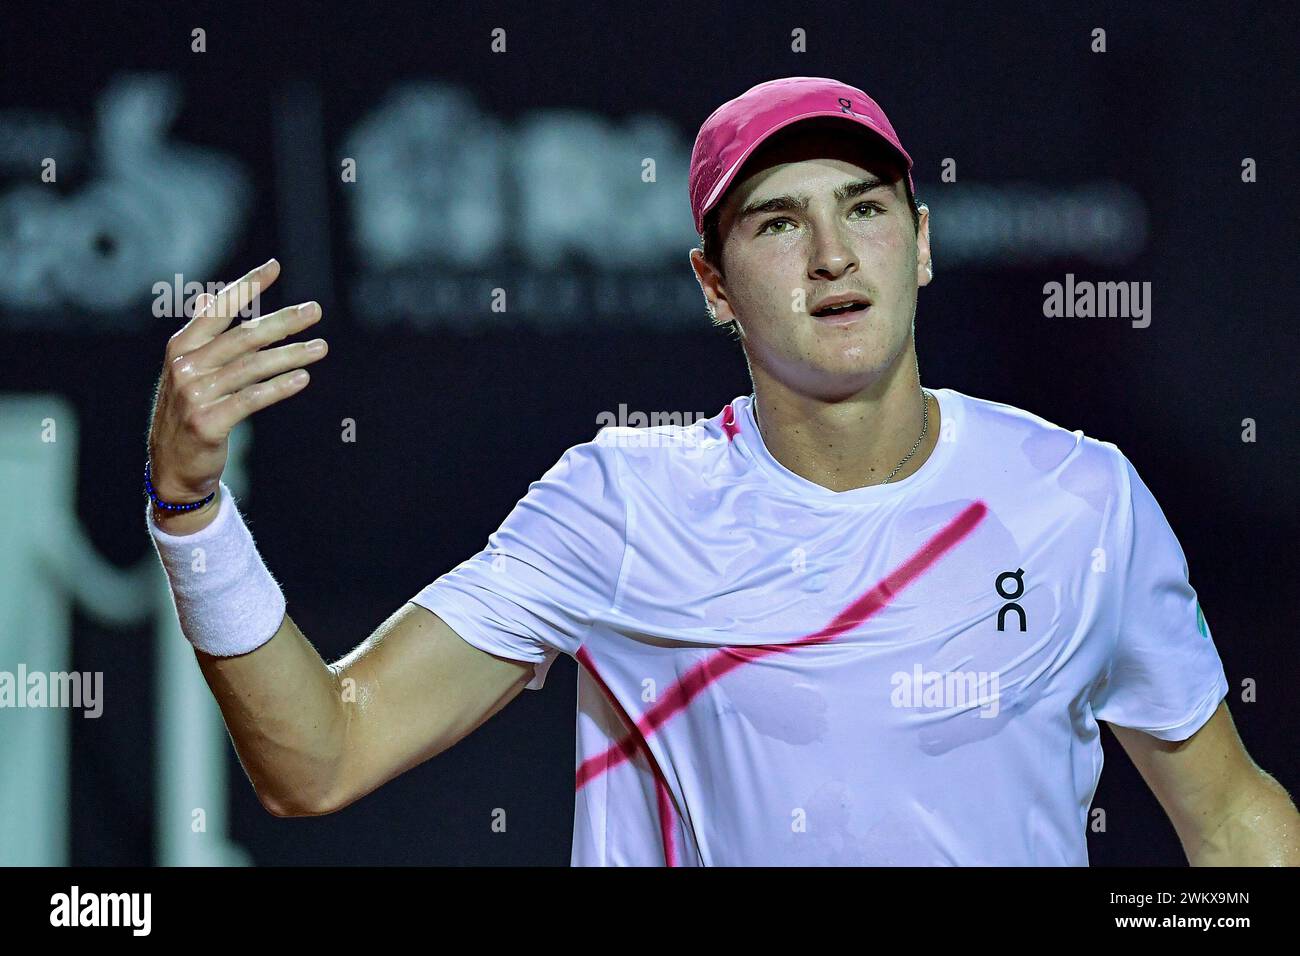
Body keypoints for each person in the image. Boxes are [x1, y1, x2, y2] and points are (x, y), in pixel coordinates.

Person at [145, 76, 1298, 866]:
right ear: (711, 283)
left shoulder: (1080, 501)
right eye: (779, 225)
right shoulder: (622, 505)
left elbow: (1237, 819)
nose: (836, 254)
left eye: (864, 208)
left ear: (923, 239)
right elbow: (321, 753)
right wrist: (190, 511)